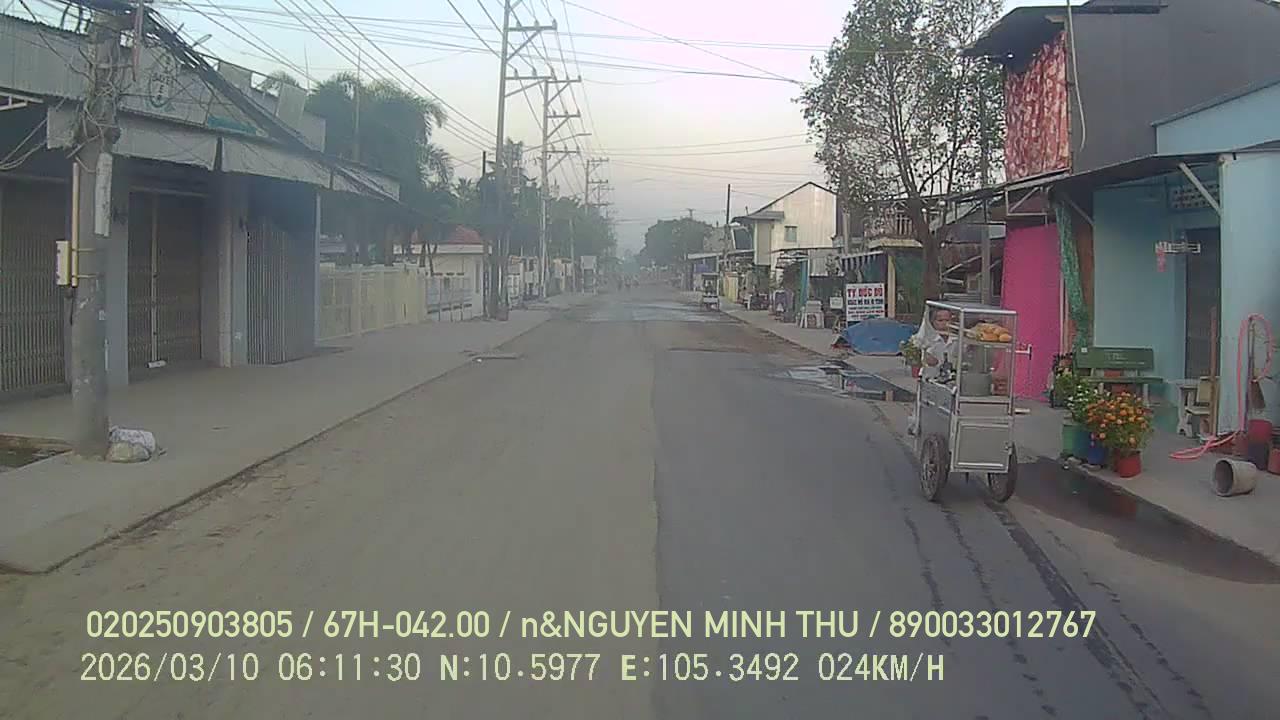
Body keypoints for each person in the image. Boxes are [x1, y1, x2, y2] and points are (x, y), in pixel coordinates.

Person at [907, 307, 956, 436]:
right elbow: (919, 356)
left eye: (947, 320)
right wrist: (927, 358)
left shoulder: (956, 340)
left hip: (950, 381)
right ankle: (917, 426)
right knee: (925, 407)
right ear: (933, 322)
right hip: (930, 378)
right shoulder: (929, 339)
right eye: (940, 320)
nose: (944, 324)